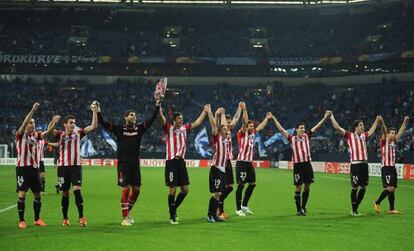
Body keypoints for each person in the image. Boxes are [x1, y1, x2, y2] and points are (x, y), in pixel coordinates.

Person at [97, 100, 160, 226]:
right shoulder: (119, 129)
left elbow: (152, 119)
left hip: (135, 164)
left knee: (136, 190)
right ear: (126, 117)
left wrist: (157, 105)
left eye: (135, 115)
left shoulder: (140, 129)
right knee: (125, 190)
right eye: (131, 115)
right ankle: (125, 218)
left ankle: (127, 211)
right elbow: (103, 123)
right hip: (123, 163)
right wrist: (98, 112)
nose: (134, 116)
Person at [272, 111, 332, 215]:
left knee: (308, 186)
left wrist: (325, 117)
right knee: (298, 187)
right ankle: (298, 209)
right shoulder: (292, 139)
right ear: (296, 129)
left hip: (307, 164)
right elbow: (281, 130)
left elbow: (317, 127)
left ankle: (304, 207)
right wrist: (273, 118)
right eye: (301, 128)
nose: (303, 130)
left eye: (304, 128)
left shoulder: (307, 136)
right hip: (298, 166)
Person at [158, 104, 207, 224]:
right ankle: (172, 216)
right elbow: (161, 118)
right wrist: (158, 107)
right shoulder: (168, 128)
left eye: (182, 118)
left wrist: (205, 111)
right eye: (179, 118)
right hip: (171, 162)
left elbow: (197, 123)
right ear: (174, 120)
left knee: (185, 190)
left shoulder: (185, 128)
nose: (182, 119)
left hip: (181, 162)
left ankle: (173, 208)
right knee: (172, 189)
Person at [16, 103, 60, 229]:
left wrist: (54, 122)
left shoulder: (37, 135)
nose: (32, 124)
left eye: (33, 122)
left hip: (34, 169)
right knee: (22, 194)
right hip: (23, 169)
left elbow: (48, 133)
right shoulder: (20, 134)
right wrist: (32, 111)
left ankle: (37, 219)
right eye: (30, 122)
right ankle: (22, 220)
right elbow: (23, 125)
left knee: (38, 194)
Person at [53, 103, 98, 227]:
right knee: (65, 193)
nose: (73, 124)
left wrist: (94, 112)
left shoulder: (78, 133)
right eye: (71, 122)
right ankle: (65, 218)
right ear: (65, 124)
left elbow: (93, 126)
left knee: (77, 190)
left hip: (75, 167)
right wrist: (53, 121)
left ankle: (81, 217)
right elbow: (50, 131)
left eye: (74, 122)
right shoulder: (60, 135)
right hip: (62, 168)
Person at [330, 114, 380, 216]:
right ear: (356, 127)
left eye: (363, 125)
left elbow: (371, 131)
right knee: (355, 187)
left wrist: (376, 121)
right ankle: (354, 210)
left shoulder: (364, 136)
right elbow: (337, 127)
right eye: (361, 125)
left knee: (363, 187)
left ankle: (355, 208)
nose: (363, 127)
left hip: (364, 165)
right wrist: (331, 116)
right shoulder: (349, 135)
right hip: (355, 165)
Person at [235, 108, 272, 217]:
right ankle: (238, 209)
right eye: (250, 126)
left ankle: (244, 205)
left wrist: (267, 118)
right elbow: (245, 121)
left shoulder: (253, 134)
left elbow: (261, 127)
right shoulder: (241, 133)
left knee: (252, 184)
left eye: (252, 126)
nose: (252, 127)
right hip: (241, 162)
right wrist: (245, 109)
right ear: (246, 127)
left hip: (249, 163)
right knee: (241, 185)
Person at [215, 102, 246, 220]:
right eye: (227, 122)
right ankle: (220, 211)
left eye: (229, 122)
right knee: (222, 188)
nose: (229, 124)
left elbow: (237, 118)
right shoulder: (220, 132)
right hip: (221, 162)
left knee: (229, 187)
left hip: (227, 162)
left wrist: (239, 108)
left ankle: (218, 207)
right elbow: (219, 123)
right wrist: (219, 114)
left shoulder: (228, 131)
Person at [373, 116, 409, 215]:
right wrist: (382, 122)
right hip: (386, 167)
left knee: (393, 189)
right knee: (389, 188)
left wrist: (404, 122)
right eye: (392, 133)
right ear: (388, 134)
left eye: (394, 133)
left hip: (392, 167)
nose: (394, 135)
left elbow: (401, 132)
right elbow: (384, 130)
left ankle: (392, 209)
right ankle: (376, 202)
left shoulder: (393, 141)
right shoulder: (384, 140)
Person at [205, 105, 230, 222]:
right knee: (217, 193)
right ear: (220, 132)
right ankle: (210, 215)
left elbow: (223, 125)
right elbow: (214, 126)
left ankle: (214, 215)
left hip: (223, 170)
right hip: (216, 169)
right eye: (224, 130)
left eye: (227, 129)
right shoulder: (217, 138)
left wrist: (223, 114)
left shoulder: (227, 139)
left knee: (219, 194)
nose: (227, 130)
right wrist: (212, 113)